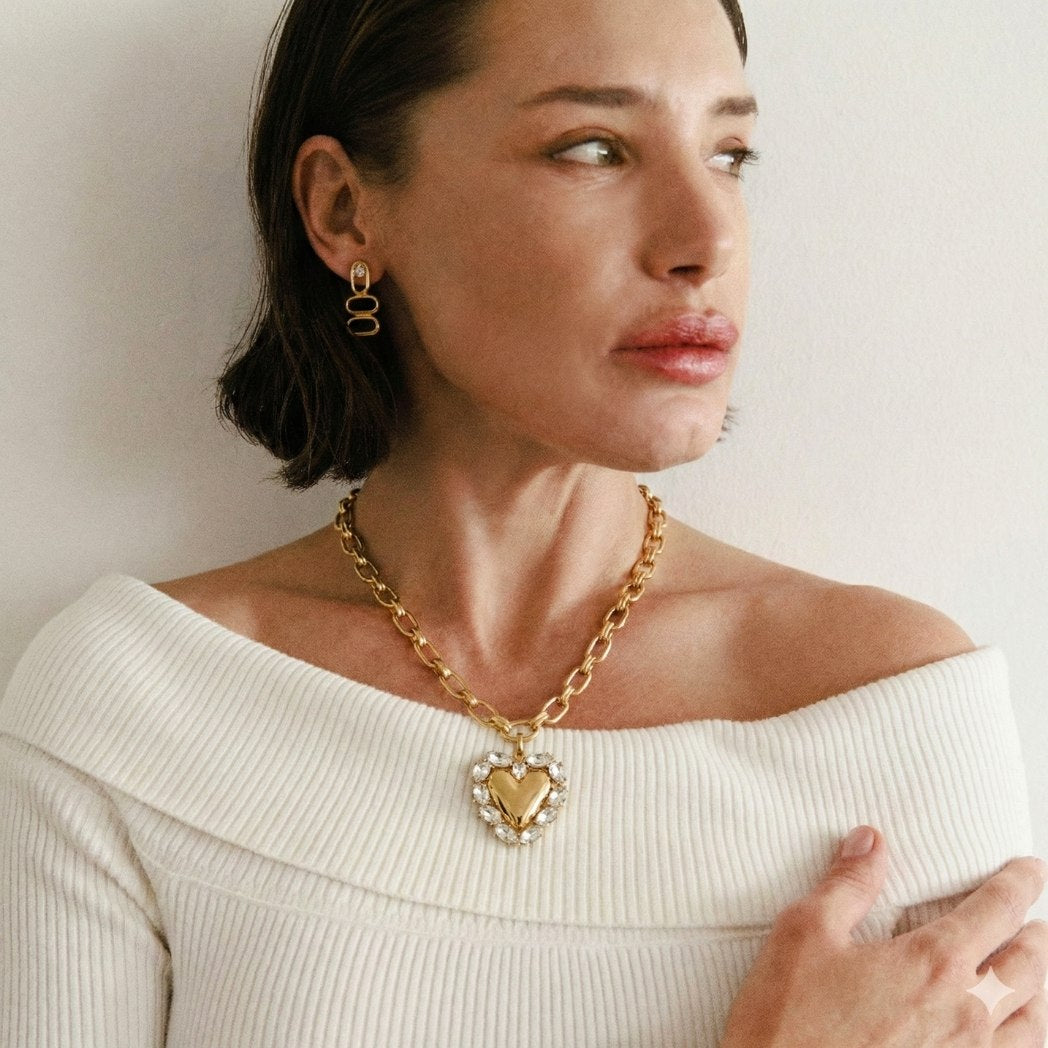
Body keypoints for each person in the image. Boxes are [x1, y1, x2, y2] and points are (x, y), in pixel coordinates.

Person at [1, 0, 1045, 1044]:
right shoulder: (136, 714)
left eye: (730, 153)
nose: (705, 239)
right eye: (592, 147)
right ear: (345, 212)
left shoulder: (892, 714)